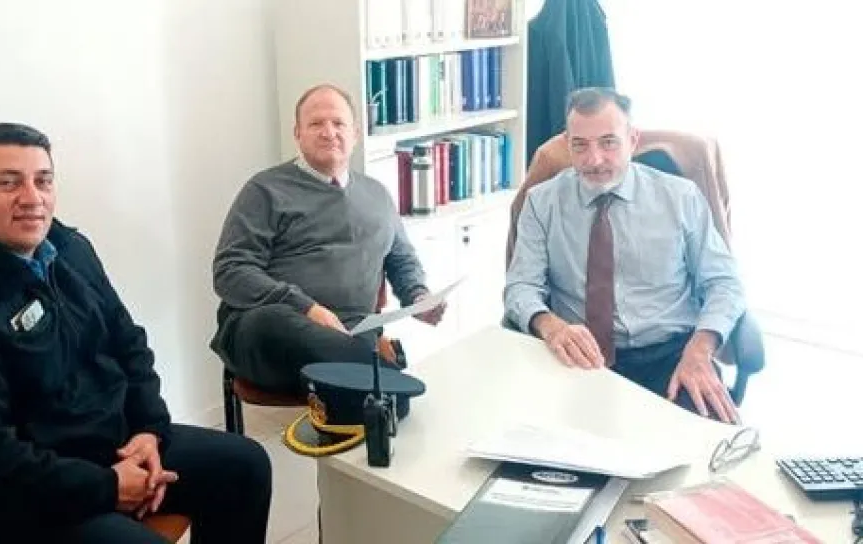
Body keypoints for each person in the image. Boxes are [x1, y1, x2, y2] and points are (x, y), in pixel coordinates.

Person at [0, 123, 272, 543]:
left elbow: (128, 344)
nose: (32, 198)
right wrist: (108, 486)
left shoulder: (66, 249)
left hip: (105, 448)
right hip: (19, 502)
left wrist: (148, 432)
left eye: (43, 180)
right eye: (8, 183)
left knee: (243, 466)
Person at [504, 87, 747, 424]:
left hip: (670, 356)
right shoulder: (541, 202)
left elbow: (724, 284)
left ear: (632, 140)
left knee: (711, 448)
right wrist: (551, 326)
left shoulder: (681, 198)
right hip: (577, 356)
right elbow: (520, 287)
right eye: (580, 145)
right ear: (567, 144)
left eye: (608, 143)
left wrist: (700, 349)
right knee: (539, 445)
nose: (594, 160)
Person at [211, 83, 445, 394]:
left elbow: (402, 260)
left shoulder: (377, 195)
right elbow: (230, 271)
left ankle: (373, 386)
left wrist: (419, 297)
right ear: (297, 134)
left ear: (355, 134)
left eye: (338, 123)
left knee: (354, 381)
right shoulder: (265, 190)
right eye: (316, 124)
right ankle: (381, 384)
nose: (328, 132)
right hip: (278, 329)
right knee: (272, 322)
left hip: (350, 334)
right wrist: (307, 308)